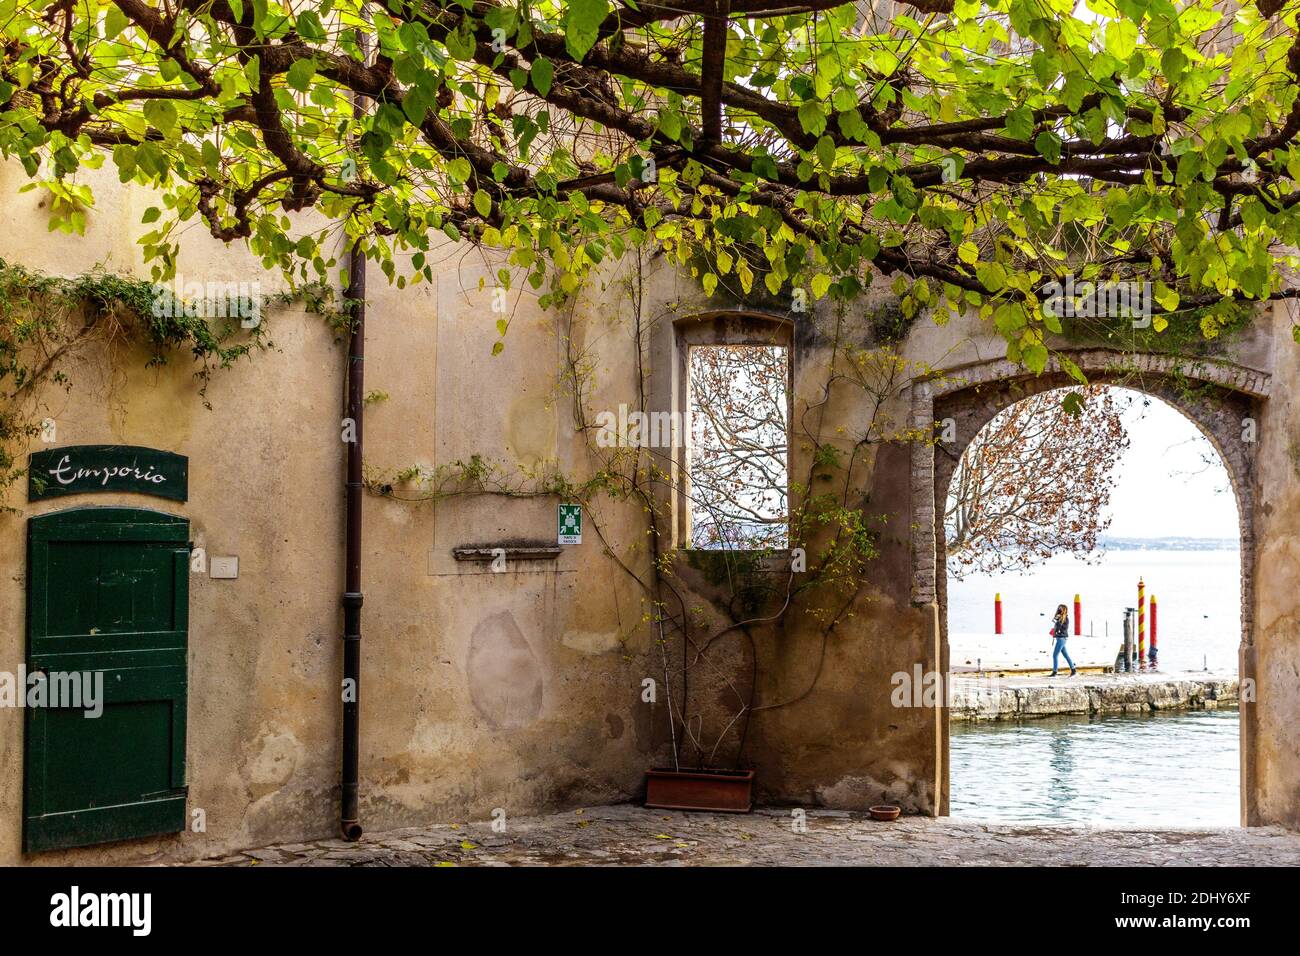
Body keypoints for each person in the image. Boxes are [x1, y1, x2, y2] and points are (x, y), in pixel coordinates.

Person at [1049, 603, 1077, 678]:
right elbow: (1056, 625)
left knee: (1055, 655)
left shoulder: (1065, 619)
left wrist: (1057, 628)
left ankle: (1055, 672)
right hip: (1059, 638)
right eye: (1059, 608)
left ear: (1064, 610)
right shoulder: (1059, 618)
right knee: (1066, 655)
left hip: (1062, 638)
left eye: (1061, 609)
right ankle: (1073, 670)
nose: (1059, 610)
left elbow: (1063, 628)